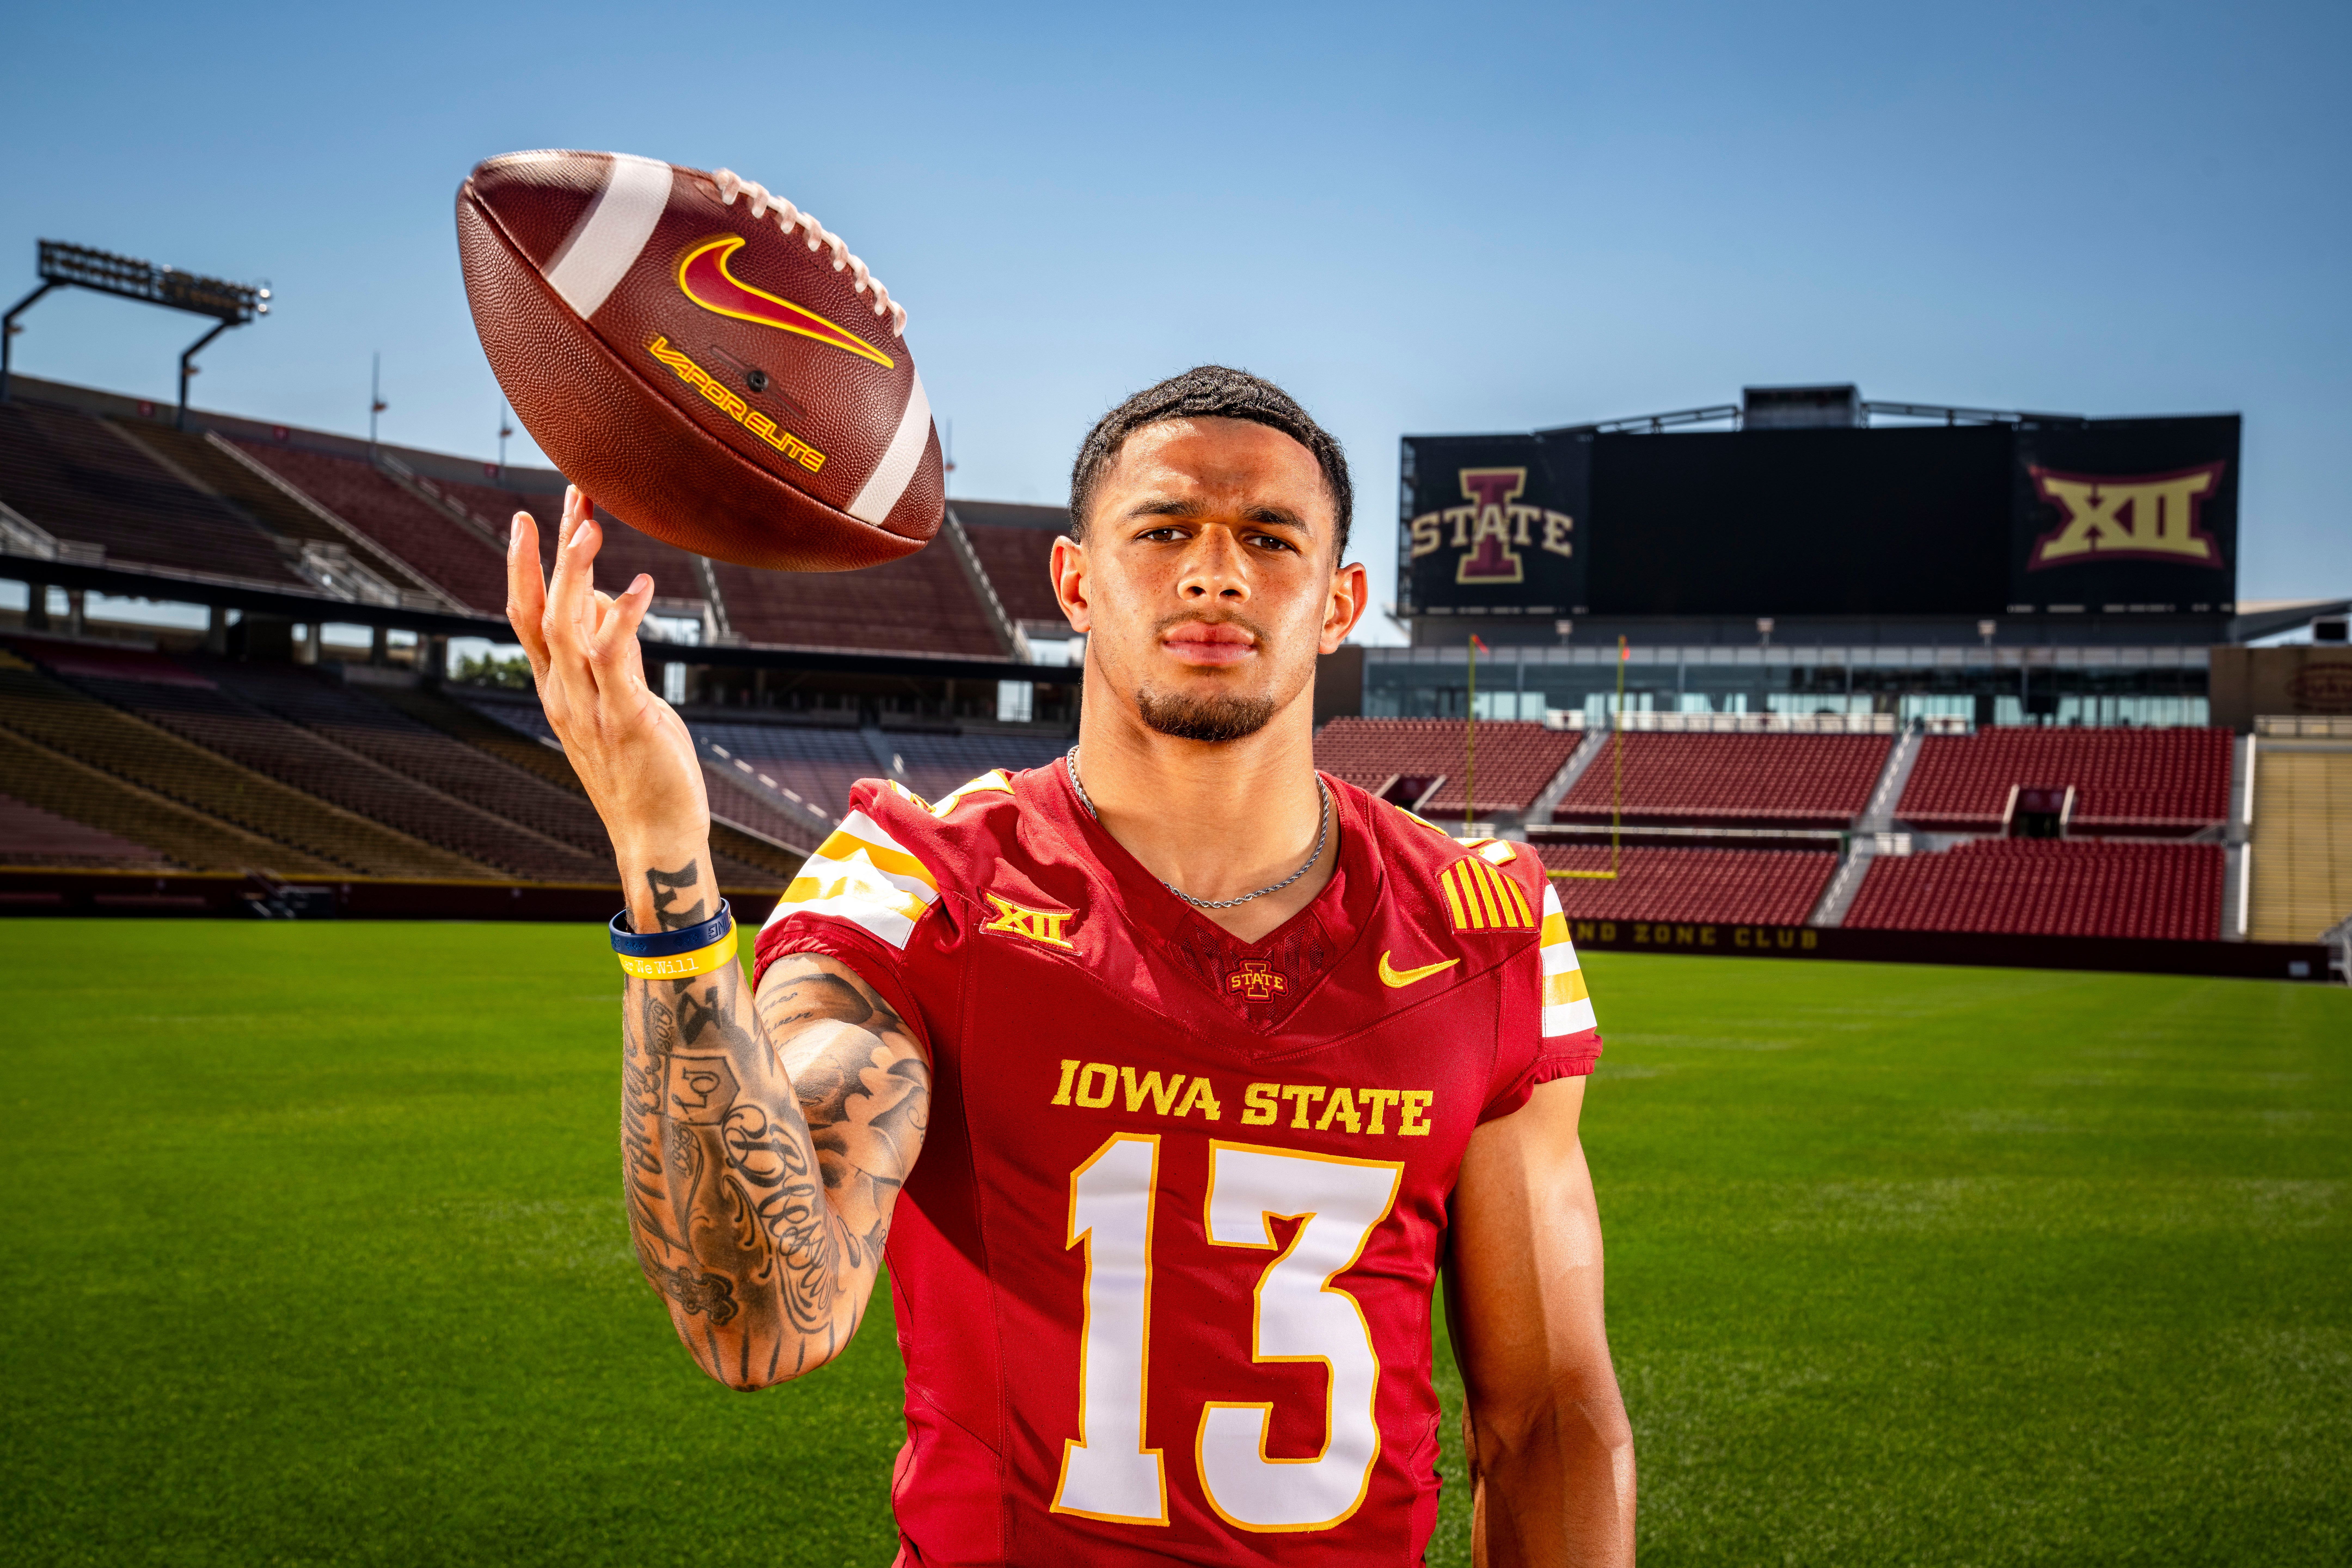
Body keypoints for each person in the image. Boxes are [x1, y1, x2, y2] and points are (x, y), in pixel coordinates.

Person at [506, 365, 1635, 1566]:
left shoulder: (1484, 924)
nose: (1216, 571)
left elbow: (1549, 1415)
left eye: (1270, 536)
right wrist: (665, 867)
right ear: (1076, 583)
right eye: (1164, 532)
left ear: (1340, 602)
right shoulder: (920, 883)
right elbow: (764, 1322)